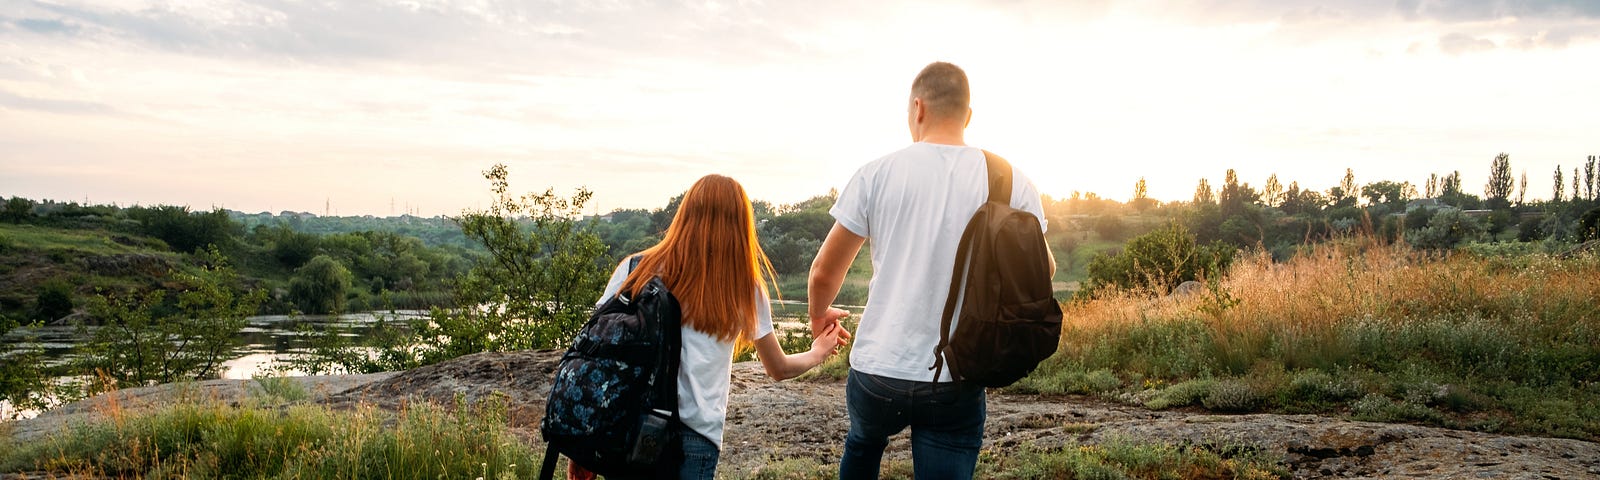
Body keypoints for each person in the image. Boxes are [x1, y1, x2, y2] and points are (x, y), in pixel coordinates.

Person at [806, 61, 1049, 480]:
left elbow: (824, 273)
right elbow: (1043, 269)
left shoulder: (876, 173)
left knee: (863, 443)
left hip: (878, 368)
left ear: (917, 108)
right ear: (967, 115)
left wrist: (818, 315)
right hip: (957, 369)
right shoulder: (1009, 180)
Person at [568, 174, 849, 480]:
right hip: (695, 438)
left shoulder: (635, 268)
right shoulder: (743, 285)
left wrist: (583, 443)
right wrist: (818, 352)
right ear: (741, 224)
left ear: (685, 213)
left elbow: (593, 352)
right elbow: (778, 368)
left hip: (629, 428)